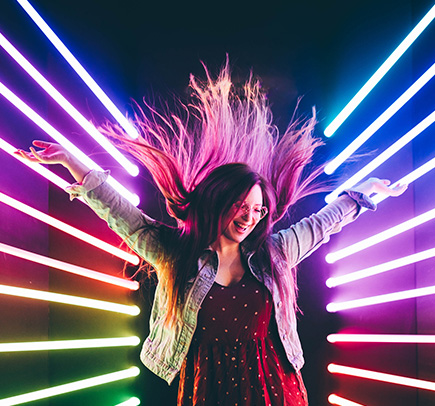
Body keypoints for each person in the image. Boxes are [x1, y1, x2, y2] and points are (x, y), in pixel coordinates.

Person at [16, 63, 406, 406]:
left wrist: (364, 191)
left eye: (258, 210)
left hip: (276, 389)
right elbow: (122, 214)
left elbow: (322, 223)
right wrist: (70, 159)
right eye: (241, 205)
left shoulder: (277, 251)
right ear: (219, 201)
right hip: (208, 389)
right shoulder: (175, 252)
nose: (250, 217)